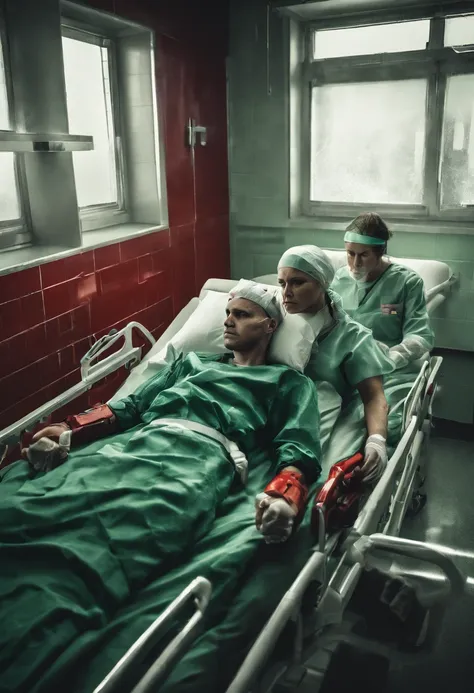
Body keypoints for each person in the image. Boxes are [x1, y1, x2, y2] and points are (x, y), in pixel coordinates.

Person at [0, 280, 323, 692]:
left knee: (118, 535)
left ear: (270, 325)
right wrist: (66, 430)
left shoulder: (289, 384)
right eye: (227, 313)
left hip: (196, 464)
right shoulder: (190, 362)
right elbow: (129, 408)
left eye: (242, 315)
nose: (228, 321)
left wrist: (285, 494)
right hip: (130, 447)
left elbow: (298, 445)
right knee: (37, 507)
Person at [277, 245, 394, 481]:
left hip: (320, 414)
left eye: (298, 282)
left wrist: (377, 441)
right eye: (282, 283)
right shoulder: (275, 320)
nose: (286, 292)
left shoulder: (352, 337)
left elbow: (373, 396)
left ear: (322, 283)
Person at [331, 212, 435, 443]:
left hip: (389, 372)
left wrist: (391, 357)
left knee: (389, 426)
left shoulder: (407, 282)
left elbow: (420, 334)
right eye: (350, 254)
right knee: (335, 423)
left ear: (381, 251)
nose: (355, 263)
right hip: (345, 368)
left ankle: (382, 472)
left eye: (364, 255)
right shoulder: (339, 279)